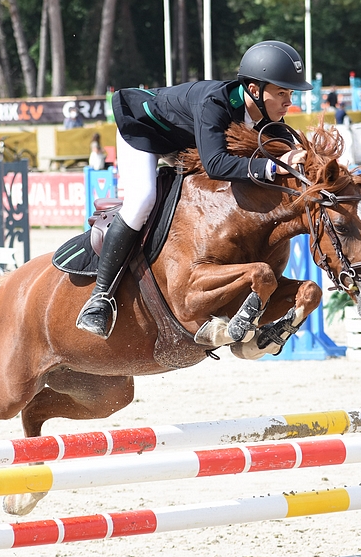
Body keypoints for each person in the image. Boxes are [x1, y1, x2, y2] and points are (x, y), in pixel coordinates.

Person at [75, 40, 312, 338]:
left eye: (289, 93)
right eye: (282, 93)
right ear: (254, 90)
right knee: (142, 199)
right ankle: (100, 298)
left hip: (184, 143)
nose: (289, 101)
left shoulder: (269, 120)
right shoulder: (214, 103)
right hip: (144, 132)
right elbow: (215, 164)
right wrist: (273, 166)